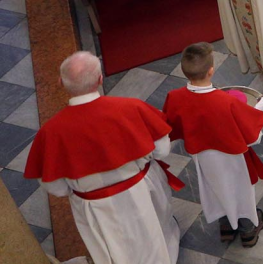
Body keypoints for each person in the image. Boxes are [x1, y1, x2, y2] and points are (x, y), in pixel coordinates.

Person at [23, 51, 182, 264]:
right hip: (143, 191)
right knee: (156, 237)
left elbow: (57, 188)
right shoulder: (131, 108)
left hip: (95, 210)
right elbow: (162, 150)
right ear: (100, 80)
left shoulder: (50, 133)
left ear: (60, 82)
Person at [162, 43, 263, 247]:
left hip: (203, 158)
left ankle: (227, 227)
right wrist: (259, 108)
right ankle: (248, 231)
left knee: (216, 189)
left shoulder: (175, 97)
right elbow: (252, 136)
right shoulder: (225, 101)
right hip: (232, 158)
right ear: (211, 70)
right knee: (239, 191)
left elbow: (170, 127)